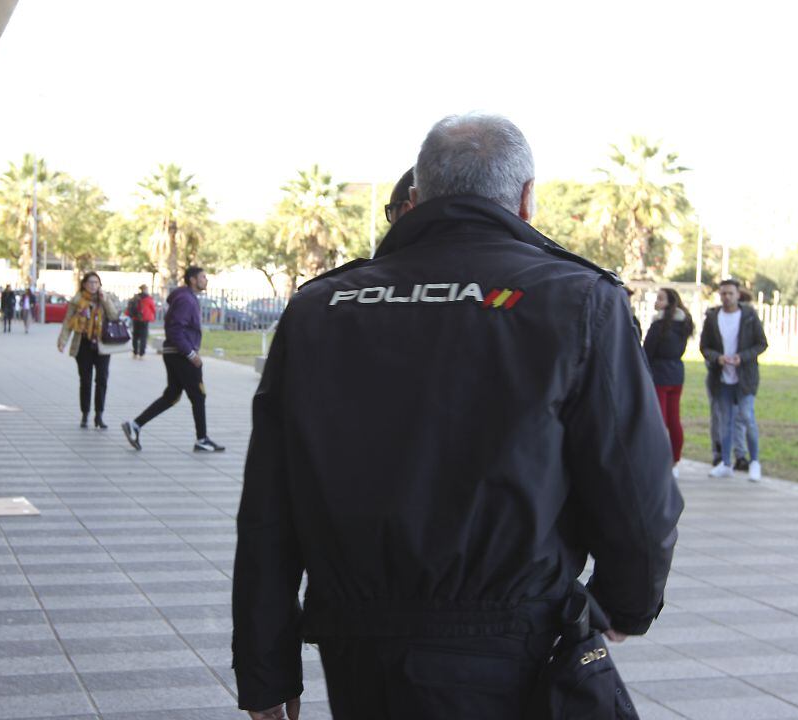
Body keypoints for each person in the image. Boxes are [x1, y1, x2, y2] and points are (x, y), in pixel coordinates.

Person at [232, 114, 683, 719]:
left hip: (356, 645)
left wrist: (266, 666)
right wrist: (625, 603)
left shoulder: (320, 307)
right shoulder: (576, 301)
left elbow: (268, 506)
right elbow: (637, 487)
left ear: (415, 199)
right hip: (512, 645)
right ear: (527, 200)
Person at [122, 267, 224, 452]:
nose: (206, 280)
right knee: (198, 395)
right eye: (203, 277)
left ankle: (135, 425)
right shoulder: (186, 299)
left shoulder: (186, 297)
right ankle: (202, 439)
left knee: (172, 395)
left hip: (174, 353)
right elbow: (176, 329)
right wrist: (191, 354)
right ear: (193, 280)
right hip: (181, 354)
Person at [701, 278, 768, 481]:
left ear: (738, 295)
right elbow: (704, 347)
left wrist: (743, 357)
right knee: (725, 422)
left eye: (730, 293)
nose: (726, 297)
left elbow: (761, 343)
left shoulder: (748, 316)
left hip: (745, 377)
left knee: (747, 417)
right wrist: (717, 358)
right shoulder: (712, 318)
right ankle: (726, 462)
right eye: (723, 293)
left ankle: (754, 461)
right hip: (721, 378)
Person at [57, 272, 119, 429]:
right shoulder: (77, 301)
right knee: (85, 381)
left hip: (102, 345)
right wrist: (62, 341)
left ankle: (99, 415)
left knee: (102, 380)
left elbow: (114, 316)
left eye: (96, 282)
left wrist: (105, 302)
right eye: (90, 282)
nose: (93, 285)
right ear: (84, 284)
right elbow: (68, 322)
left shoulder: (105, 298)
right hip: (83, 345)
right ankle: (85, 413)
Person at [644, 287, 694, 478]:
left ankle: (659, 459)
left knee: (660, 419)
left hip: (659, 374)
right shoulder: (684, 325)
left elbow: (647, 351)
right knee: (674, 419)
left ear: (669, 302)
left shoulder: (659, 325)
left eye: (660, 299)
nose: (657, 302)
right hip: (677, 374)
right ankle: (675, 459)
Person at [128, 284, 157, 358]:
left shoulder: (135, 297)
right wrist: (154, 316)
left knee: (135, 336)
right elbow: (153, 308)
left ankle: (135, 352)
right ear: (145, 289)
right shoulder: (148, 298)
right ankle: (142, 353)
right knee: (143, 336)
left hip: (136, 318)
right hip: (144, 319)